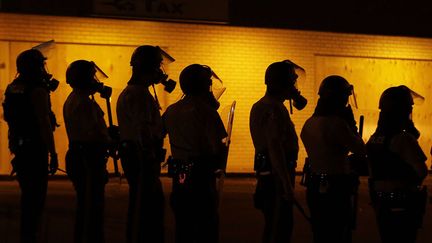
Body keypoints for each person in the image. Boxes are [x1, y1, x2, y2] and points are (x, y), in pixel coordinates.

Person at [163, 64, 227, 243]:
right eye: (208, 84)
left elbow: (158, 132)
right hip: (201, 176)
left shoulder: (172, 110)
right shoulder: (206, 111)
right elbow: (219, 143)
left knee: (183, 225)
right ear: (203, 86)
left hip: (180, 174)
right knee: (205, 225)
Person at [117, 45, 174, 243]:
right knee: (147, 206)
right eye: (157, 66)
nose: (160, 72)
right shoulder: (138, 95)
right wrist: (151, 153)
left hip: (138, 157)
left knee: (144, 205)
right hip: (141, 159)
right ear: (147, 67)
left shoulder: (135, 93)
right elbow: (144, 130)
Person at [300, 75, 366, 243]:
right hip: (336, 185)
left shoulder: (309, 123)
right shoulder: (337, 124)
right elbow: (359, 149)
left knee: (320, 232)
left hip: (314, 183)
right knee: (338, 233)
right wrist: (352, 125)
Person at [2, 49, 59, 243]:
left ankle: (26, 235)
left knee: (27, 196)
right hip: (35, 149)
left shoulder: (13, 87)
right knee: (36, 199)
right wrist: (53, 152)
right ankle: (31, 235)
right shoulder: (37, 90)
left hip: (19, 147)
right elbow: (44, 122)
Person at [249, 60, 307, 243]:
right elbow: (274, 146)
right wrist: (286, 184)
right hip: (275, 177)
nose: (295, 87)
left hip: (273, 174)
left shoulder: (269, 106)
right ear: (283, 83)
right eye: (292, 81)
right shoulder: (272, 108)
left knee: (279, 225)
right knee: (278, 228)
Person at [367, 85, 427, 243]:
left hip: (381, 202)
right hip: (403, 202)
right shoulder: (403, 138)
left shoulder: (375, 138)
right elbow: (421, 171)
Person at [63, 60, 112, 243]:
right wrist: (110, 140)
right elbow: (91, 133)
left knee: (86, 205)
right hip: (87, 158)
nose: (95, 81)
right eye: (91, 76)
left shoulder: (74, 98)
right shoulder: (83, 103)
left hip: (81, 155)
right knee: (92, 207)